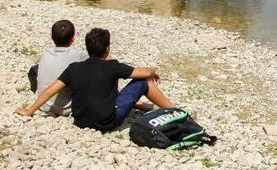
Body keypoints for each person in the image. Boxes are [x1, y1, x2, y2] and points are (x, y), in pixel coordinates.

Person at [16, 28, 175, 132]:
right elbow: (145, 72)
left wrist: (29, 111)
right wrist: (153, 72)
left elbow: (50, 90)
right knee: (144, 82)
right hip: (107, 122)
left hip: (80, 120)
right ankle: (176, 112)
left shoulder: (74, 67)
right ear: (107, 48)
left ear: (87, 48)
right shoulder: (113, 66)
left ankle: (149, 107)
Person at [29, 20, 87, 116]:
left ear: (52, 37)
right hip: (66, 108)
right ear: (73, 39)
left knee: (34, 69)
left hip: (43, 105)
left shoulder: (46, 52)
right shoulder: (79, 55)